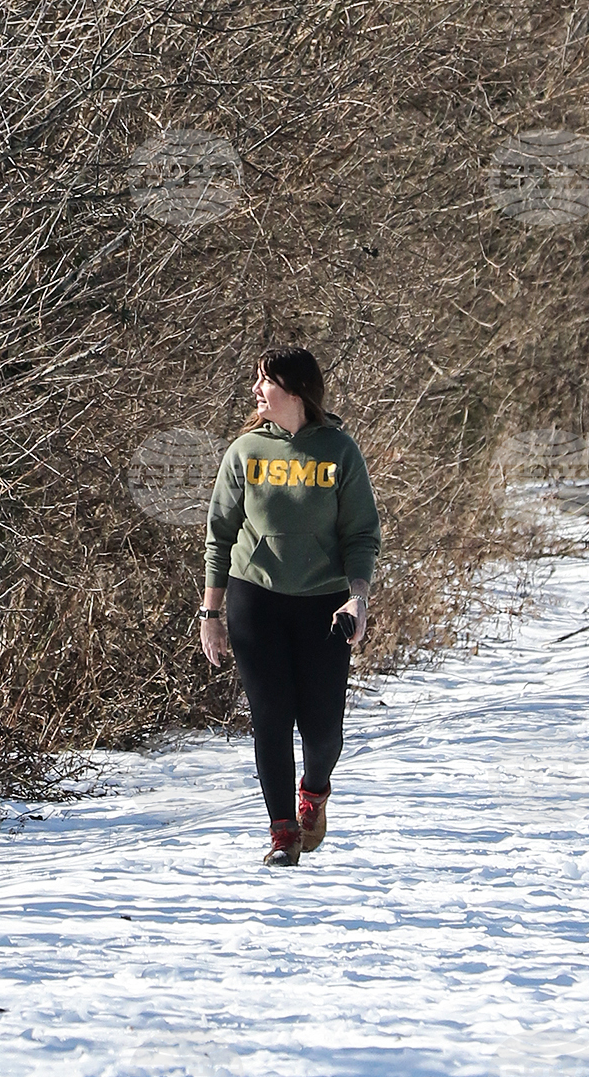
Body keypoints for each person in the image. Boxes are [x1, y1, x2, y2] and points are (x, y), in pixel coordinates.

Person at [199, 344, 381, 867]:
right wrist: (211, 614)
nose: (256, 390)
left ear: (295, 390)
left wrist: (358, 597)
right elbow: (219, 534)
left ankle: (315, 789)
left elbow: (362, 532)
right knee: (270, 718)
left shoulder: (339, 451)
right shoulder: (245, 452)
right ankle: (282, 832)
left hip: (324, 606)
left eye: (265, 381)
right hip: (254, 596)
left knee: (323, 729)